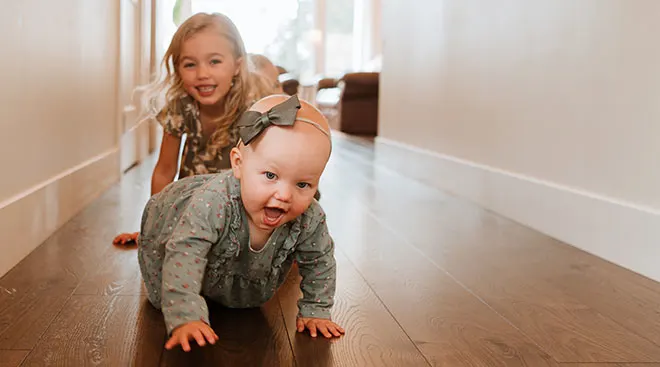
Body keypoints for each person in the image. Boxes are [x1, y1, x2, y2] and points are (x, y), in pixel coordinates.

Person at [137, 94, 344, 352]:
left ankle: (222, 291)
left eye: (303, 184)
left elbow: (319, 261)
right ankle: (187, 300)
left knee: (243, 306)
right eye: (271, 175)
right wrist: (185, 317)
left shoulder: (309, 217)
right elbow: (186, 252)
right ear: (238, 164)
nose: (284, 195)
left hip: (236, 283)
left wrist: (317, 310)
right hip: (174, 238)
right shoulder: (214, 203)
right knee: (166, 291)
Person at [113, 12, 252, 246]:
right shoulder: (181, 108)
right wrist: (153, 228)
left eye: (215, 61)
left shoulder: (251, 110)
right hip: (193, 207)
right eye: (190, 64)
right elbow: (165, 171)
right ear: (178, 69)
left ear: (237, 66)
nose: (202, 74)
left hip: (243, 208)